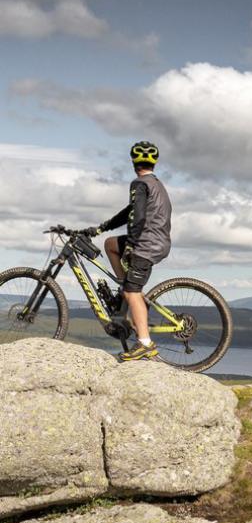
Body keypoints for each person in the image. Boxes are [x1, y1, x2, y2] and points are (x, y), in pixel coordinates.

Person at [83, 141, 172, 361]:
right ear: (154, 163)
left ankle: (144, 343)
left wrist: (132, 245)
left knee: (134, 292)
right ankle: (126, 288)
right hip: (155, 241)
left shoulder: (139, 183)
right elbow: (130, 211)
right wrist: (102, 228)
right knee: (111, 244)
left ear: (133, 162)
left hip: (146, 244)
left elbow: (138, 217)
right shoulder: (155, 184)